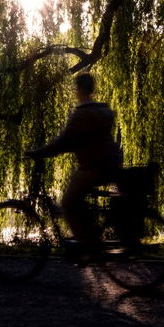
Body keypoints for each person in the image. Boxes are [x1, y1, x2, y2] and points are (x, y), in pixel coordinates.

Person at [25, 72, 122, 253]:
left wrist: (38, 152)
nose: (74, 92)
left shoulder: (82, 114)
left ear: (79, 89)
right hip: (111, 163)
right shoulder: (103, 110)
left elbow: (64, 141)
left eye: (75, 89)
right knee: (80, 200)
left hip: (93, 167)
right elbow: (84, 140)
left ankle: (87, 244)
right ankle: (90, 235)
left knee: (68, 202)